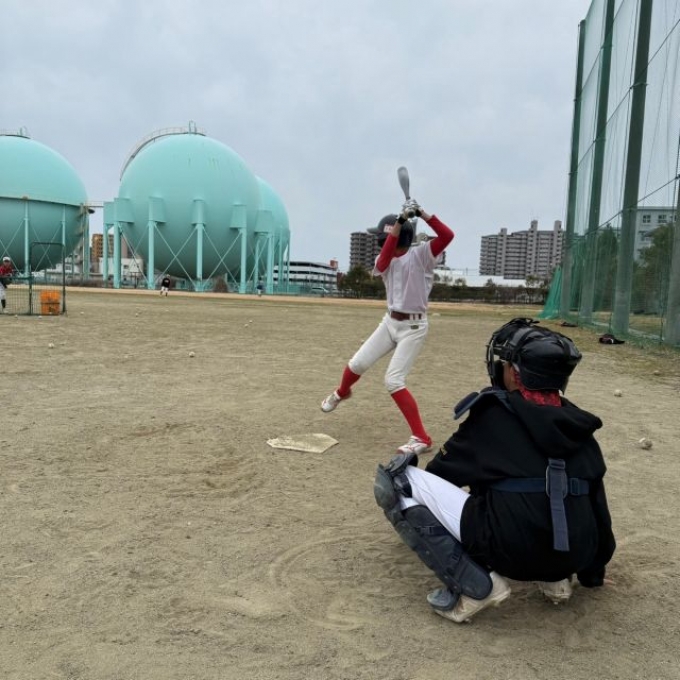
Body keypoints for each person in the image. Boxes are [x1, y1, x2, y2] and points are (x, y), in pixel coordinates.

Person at [374, 318, 616, 623]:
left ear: (514, 373)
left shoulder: (492, 414)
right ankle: (555, 580)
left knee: (398, 480)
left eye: (505, 362)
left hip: (510, 555)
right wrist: (593, 573)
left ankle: (476, 586)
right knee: (553, 492)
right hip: (575, 554)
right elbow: (598, 508)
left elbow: (440, 475)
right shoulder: (580, 424)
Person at [320, 202, 454, 455]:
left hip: (413, 326)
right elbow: (383, 261)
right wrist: (401, 221)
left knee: (393, 380)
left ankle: (422, 438)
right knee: (357, 364)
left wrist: (422, 214)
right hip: (390, 321)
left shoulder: (423, 254)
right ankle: (341, 393)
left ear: (388, 237)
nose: (378, 242)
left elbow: (447, 235)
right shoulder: (383, 260)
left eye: (380, 237)